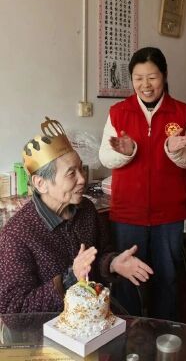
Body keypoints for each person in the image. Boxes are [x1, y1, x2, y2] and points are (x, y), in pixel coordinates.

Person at [0, 117, 153, 314]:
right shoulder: (16, 236)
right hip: (50, 327)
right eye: (71, 173)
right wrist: (70, 279)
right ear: (40, 183)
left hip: (93, 316)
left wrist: (112, 263)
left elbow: (101, 254)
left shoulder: (86, 209)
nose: (82, 179)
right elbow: (14, 310)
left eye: (81, 168)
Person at [99, 47, 186, 320]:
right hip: (127, 212)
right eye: (138, 78)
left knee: (167, 276)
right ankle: (130, 331)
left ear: (164, 76)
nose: (145, 85)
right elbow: (105, 157)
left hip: (169, 213)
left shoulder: (182, 112)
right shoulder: (118, 112)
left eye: (152, 77)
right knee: (127, 278)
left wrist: (175, 150)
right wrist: (127, 151)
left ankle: (164, 330)